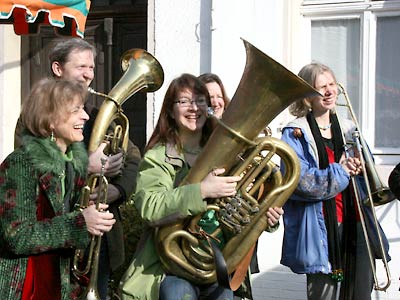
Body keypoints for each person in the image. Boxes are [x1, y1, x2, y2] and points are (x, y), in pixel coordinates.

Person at [119, 73, 282, 300]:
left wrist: (266, 216)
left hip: (220, 266)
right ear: (170, 111)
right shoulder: (158, 156)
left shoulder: (233, 155)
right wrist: (202, 191)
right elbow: (149, 207)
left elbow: (248, 203)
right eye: (184, 101)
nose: (193, 107)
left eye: (200, 101)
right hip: (171, 265)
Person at [14, 37, 142, 300]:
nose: (88, 75)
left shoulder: (98, 115)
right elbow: (35, 166)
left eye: (92, 68)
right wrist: (87, 165)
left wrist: (118, 189)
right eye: (81, 66)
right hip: (54, 235)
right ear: (58, 69)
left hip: (98, 238)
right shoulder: (34, 117)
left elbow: (134, 159)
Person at [279, 62, 390, 300]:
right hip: (321, 227)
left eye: (332, 84)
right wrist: (340, 171)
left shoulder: (350, 129)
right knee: (324, 296)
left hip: (357, 222)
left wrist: (361, 168)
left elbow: (368, 181)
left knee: (360, 294)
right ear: (307, 95)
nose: (330, 91)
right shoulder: (295, 132)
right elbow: (300, 183)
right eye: (321, 87)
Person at [0, 78, 116, 300]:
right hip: (27, 287)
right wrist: (81, 222)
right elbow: (17, 236)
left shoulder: (73, 164)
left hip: (65, 288)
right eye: (76, 110)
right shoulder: (20, 164)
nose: (86, 116)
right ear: (51, 120)